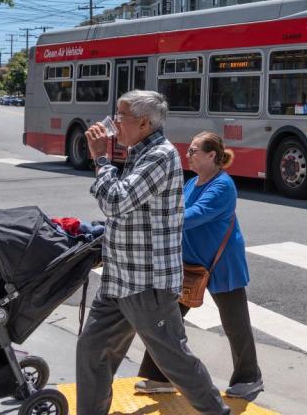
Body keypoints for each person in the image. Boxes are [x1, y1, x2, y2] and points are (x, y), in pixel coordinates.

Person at [77, 90, 230, 415]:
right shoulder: (139, 152)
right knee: (92, 351)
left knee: (175, 361)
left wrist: (101, 159)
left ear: (144, 122)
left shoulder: (160, 155)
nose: (114, 123)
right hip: (119, 279)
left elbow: (116, 202)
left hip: (147, 284)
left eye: (121, 116)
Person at [135, 131, 264, 400]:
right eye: (189, 150)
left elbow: (193, 215)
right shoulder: (193, 182)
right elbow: (175, 208)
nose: (188, 154)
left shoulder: (222, 186)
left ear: (212, 155)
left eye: (194, 150)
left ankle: (249, 378)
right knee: (166, 322)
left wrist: (159, 218)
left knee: (235, 324)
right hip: (190, 265)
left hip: (222, 265)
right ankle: (160, 376)